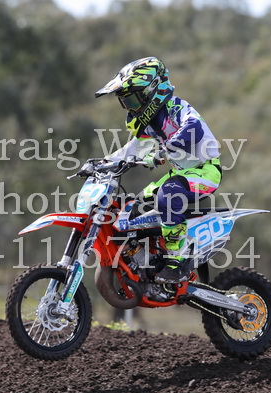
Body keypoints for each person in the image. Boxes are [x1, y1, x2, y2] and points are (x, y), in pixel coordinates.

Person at [95, 57, 222, 284]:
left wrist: (166, 149)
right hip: (181, 174)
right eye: (124, 102)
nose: (129, 107)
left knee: (168, 196)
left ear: (151, 90)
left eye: (131, 99)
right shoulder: (150, 123)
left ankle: (178, 262)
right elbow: (133, 149)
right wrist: (102, 163)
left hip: (205, 171)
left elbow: (194, 127)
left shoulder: (176, 107)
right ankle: (149, 259)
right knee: (133, 208)